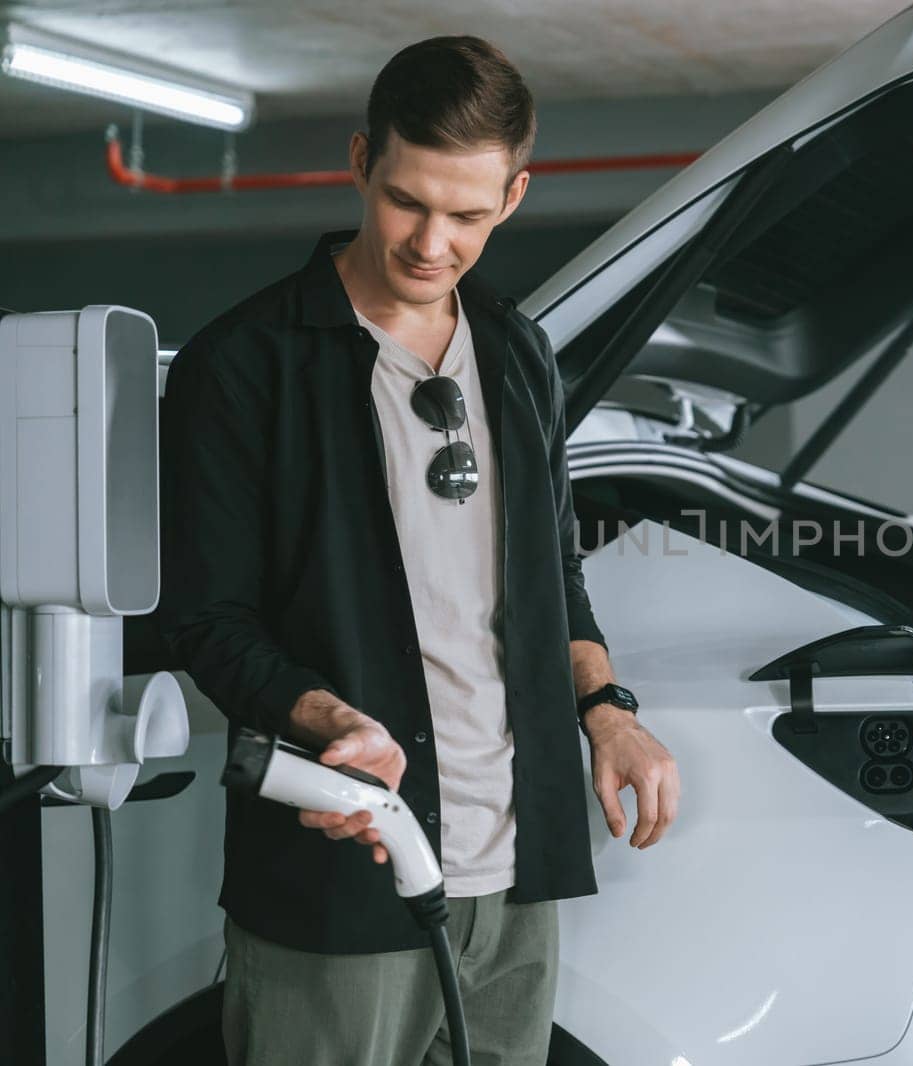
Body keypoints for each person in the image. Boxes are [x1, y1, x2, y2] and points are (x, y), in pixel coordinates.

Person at [158, 36, 680, 1066]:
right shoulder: (246, 364)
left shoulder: (521, 352)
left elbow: (550, 575)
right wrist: (328, 717)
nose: (431, 242)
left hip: (514, 874)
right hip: (339, 885)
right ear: (361, 160)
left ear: (516, 195)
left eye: (468, 215)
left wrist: (607, 711)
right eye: (407, 201)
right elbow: (205, 621)